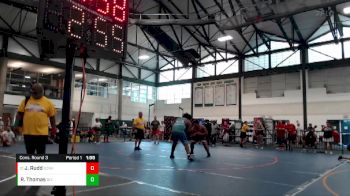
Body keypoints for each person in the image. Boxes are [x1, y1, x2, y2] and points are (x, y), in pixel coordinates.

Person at [15, 83, 57, 154]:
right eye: (32, 92)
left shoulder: (48, 103)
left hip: (41, 134)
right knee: (29, 153)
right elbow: (19, 114)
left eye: (35, 93)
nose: (33, 94)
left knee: (40, 154)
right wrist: (16, 125)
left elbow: (52, 118)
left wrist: (53, 130)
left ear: (42, 92)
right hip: (28, 133)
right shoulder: (26, 101)